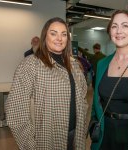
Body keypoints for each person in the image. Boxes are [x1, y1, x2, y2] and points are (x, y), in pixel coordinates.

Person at [5, 17, 87, 150]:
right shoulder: (31, 65)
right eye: (53, 33)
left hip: (74, 136)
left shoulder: (74, 65)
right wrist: (30, 147)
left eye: (63, 34)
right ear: (45, 36)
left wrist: (81, 129)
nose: (59, 38)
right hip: (46, 141)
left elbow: (83, 99)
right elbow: (16, 113)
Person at [90, 10, 128, 150]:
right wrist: (93, 122)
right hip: (104, 134)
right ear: (109, 31)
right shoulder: (102, 63)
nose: (119, 31)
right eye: (114, 26)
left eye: (125, 25)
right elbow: (96, 101)